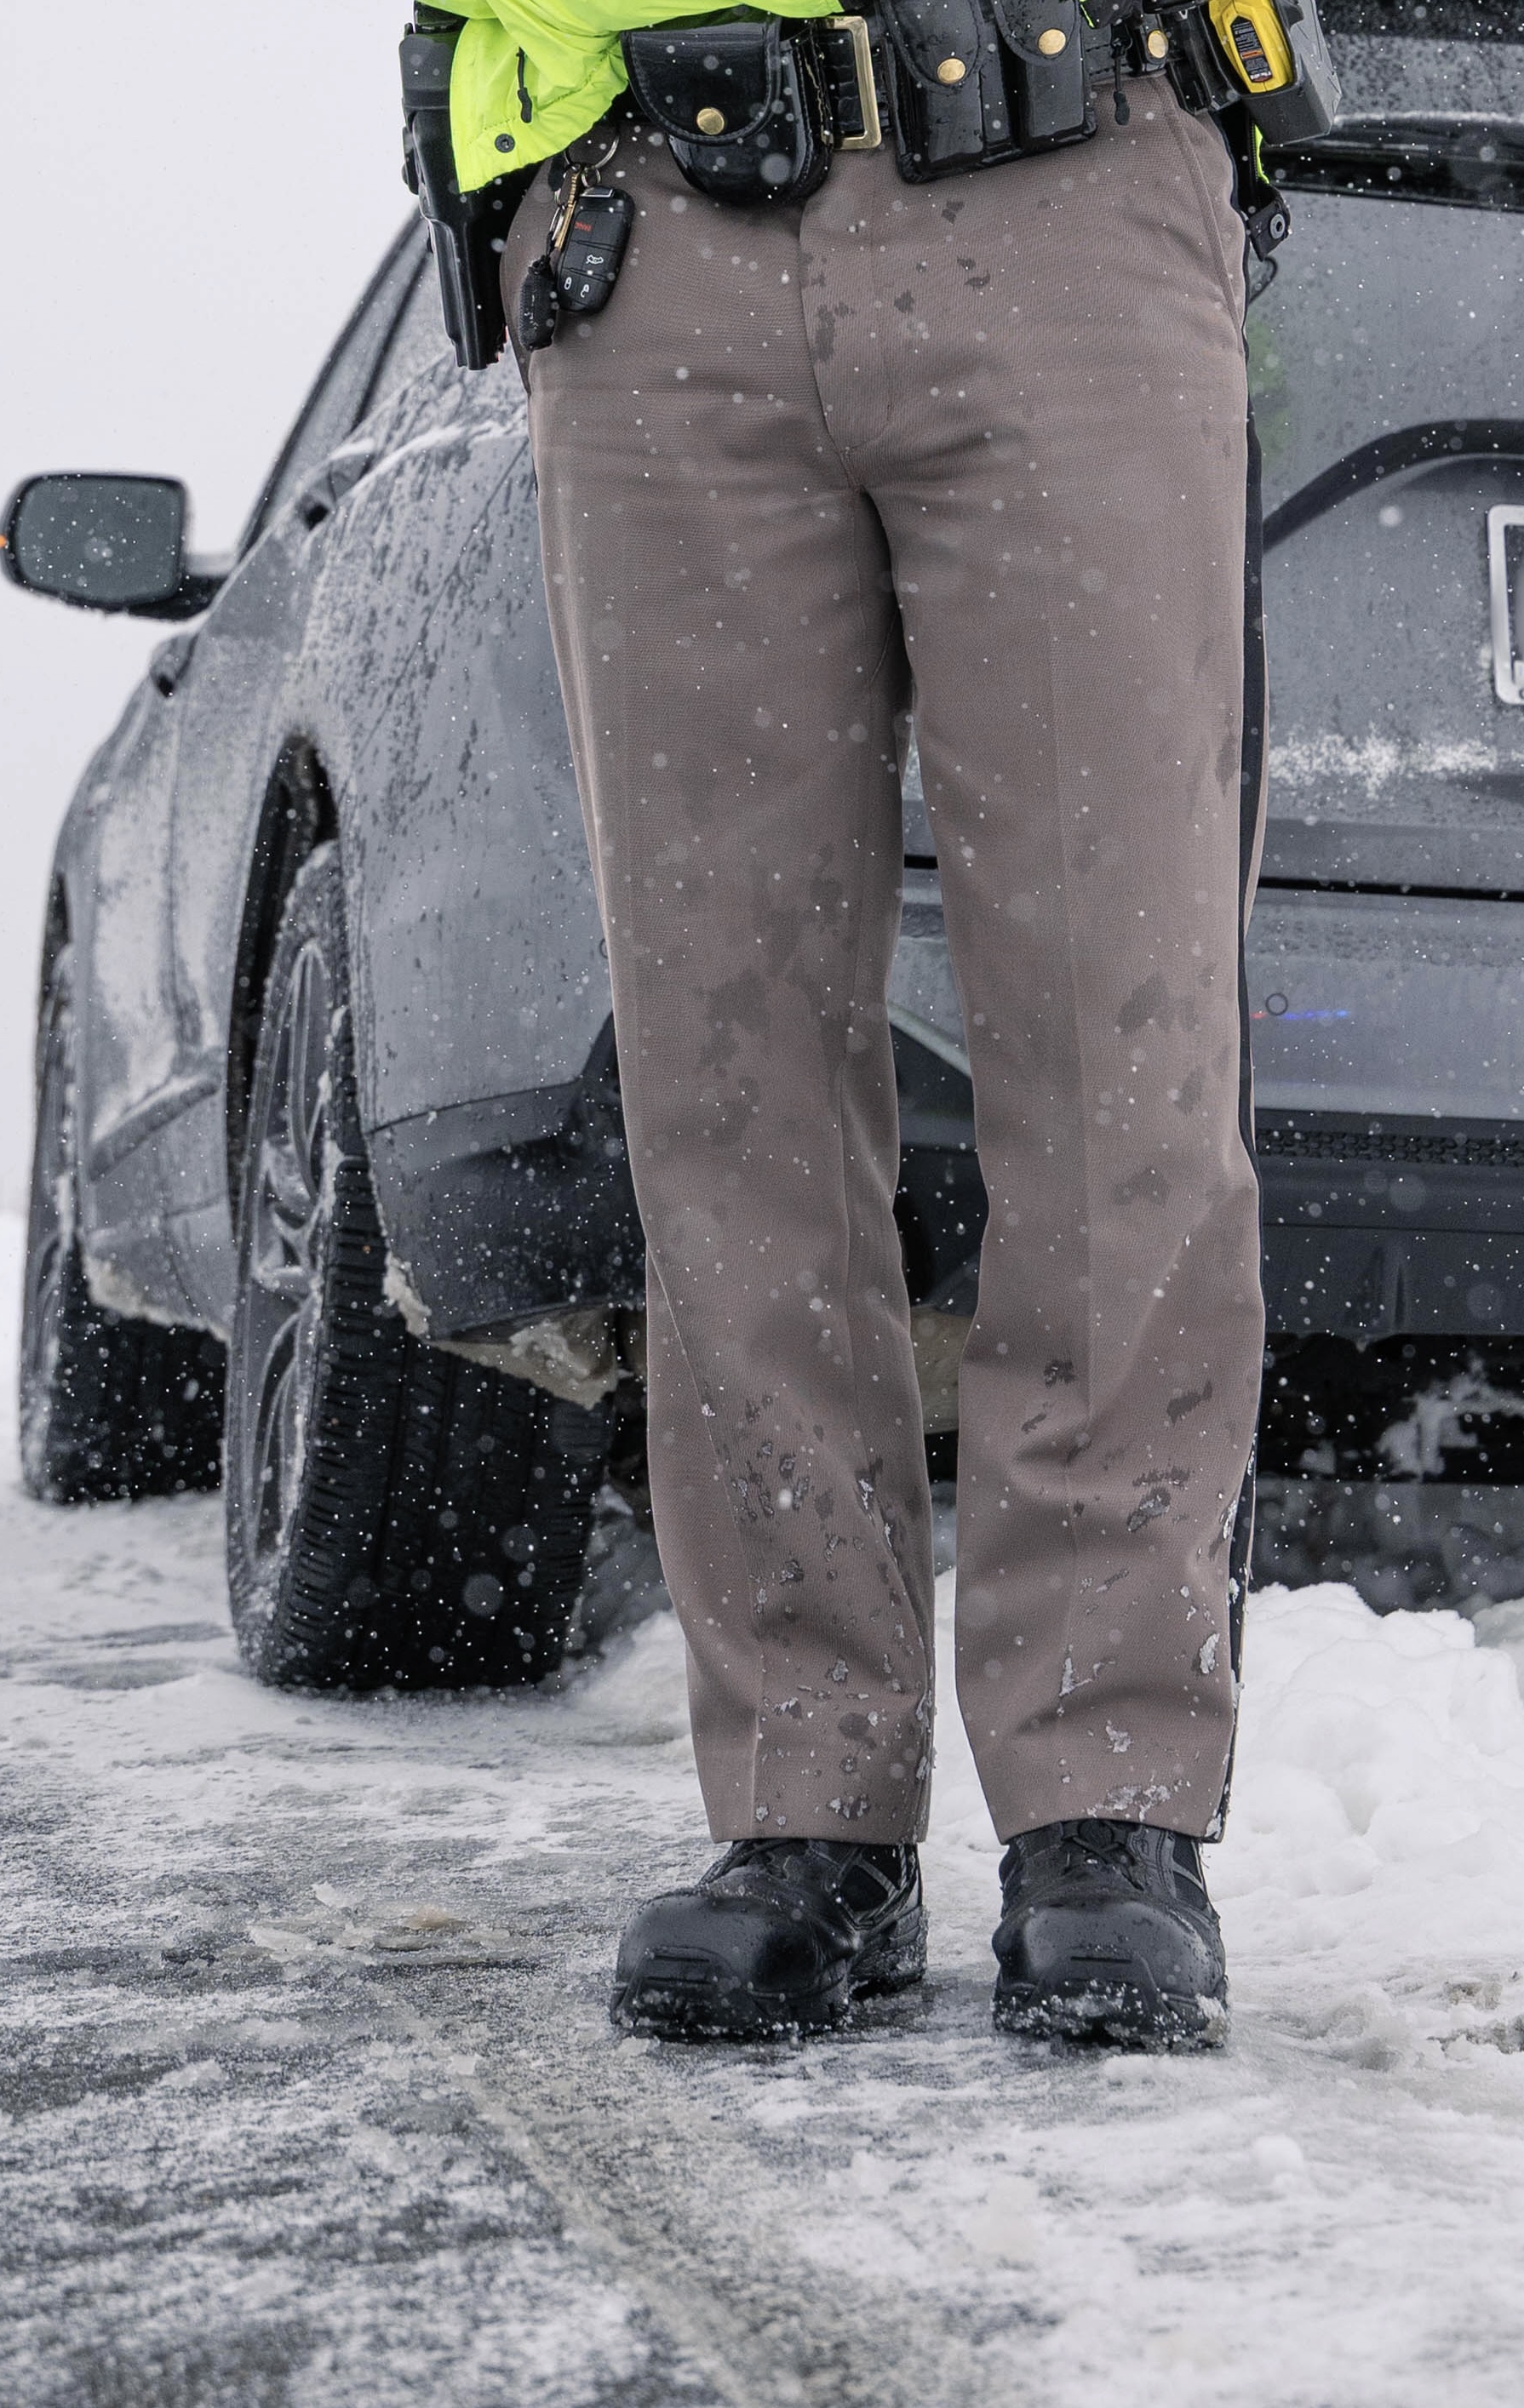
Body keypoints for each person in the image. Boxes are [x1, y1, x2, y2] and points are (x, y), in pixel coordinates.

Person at [410, 0, 1315, 2047]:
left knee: (1119, 1035)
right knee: (720, 1067)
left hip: (1066, 161)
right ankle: (804, 1810)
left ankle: (1105, 1796)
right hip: (643, 223)